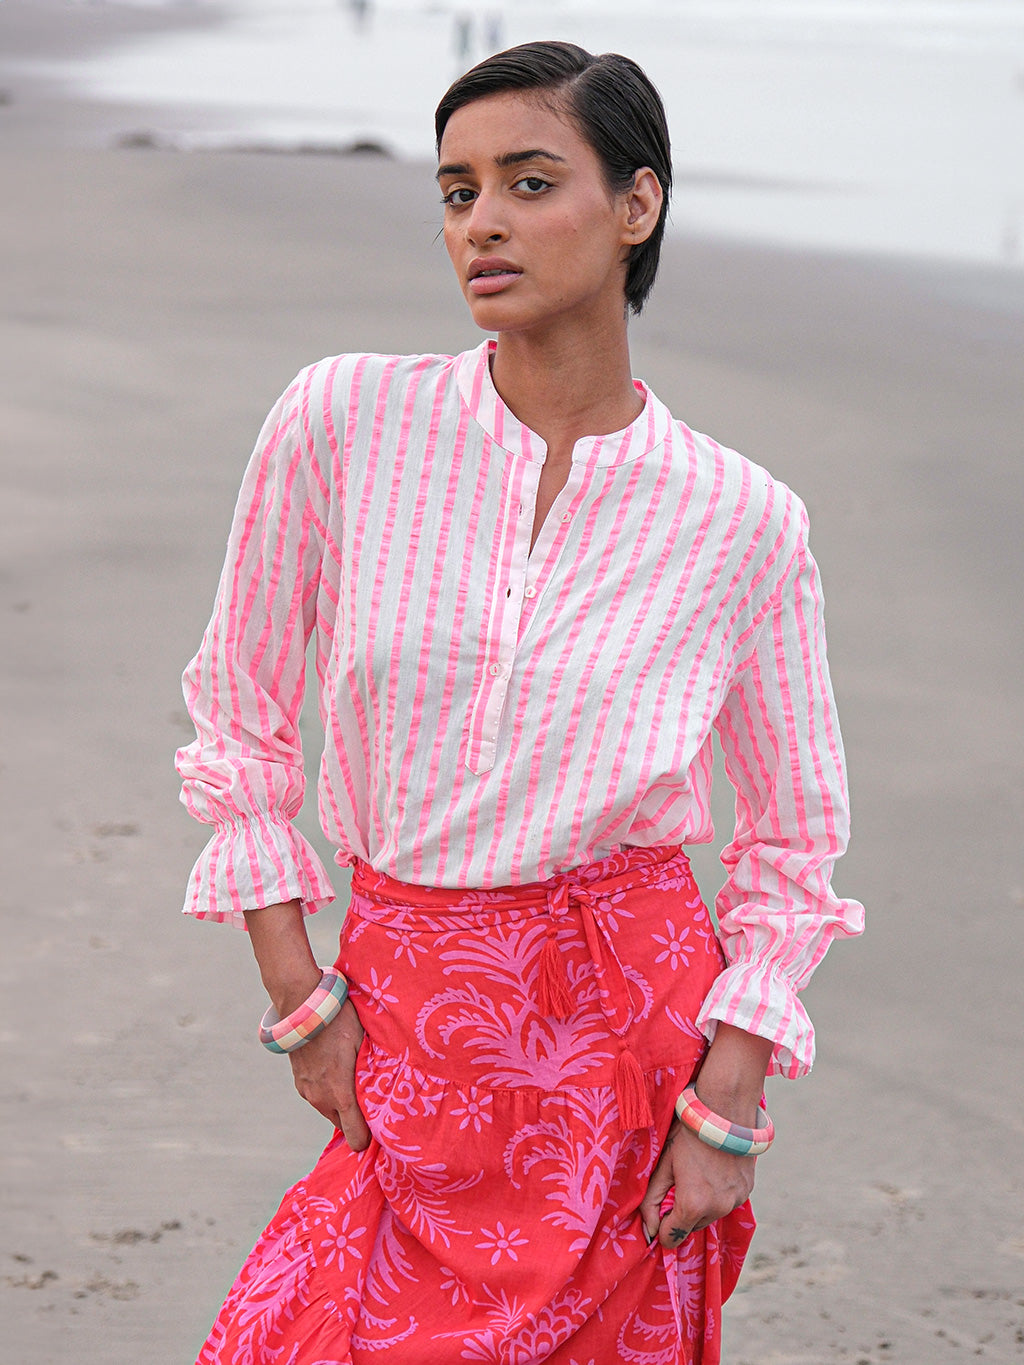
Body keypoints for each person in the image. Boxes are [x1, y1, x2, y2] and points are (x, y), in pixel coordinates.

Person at [176, 40, 864, 1364]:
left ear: (637, 206)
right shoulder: (339, 422)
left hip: (625, 1049)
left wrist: (728, 1099)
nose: (481, 220)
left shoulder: (743, 521)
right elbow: (240, 720)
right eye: (455, 189)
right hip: (402, 1024)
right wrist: (301, 998)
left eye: (528, 181)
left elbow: (792, 845)